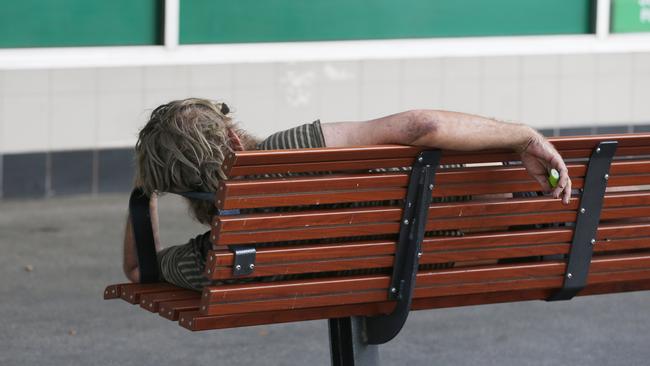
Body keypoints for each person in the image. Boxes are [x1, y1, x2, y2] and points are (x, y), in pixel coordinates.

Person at [123, 98, 572, 290]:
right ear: (234, 140)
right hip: (509, 234)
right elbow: (423, 127)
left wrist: (142, 192)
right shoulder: (292, 148)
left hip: (418, 270)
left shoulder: (217, 255)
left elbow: (140, 268)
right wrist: (524, 138)